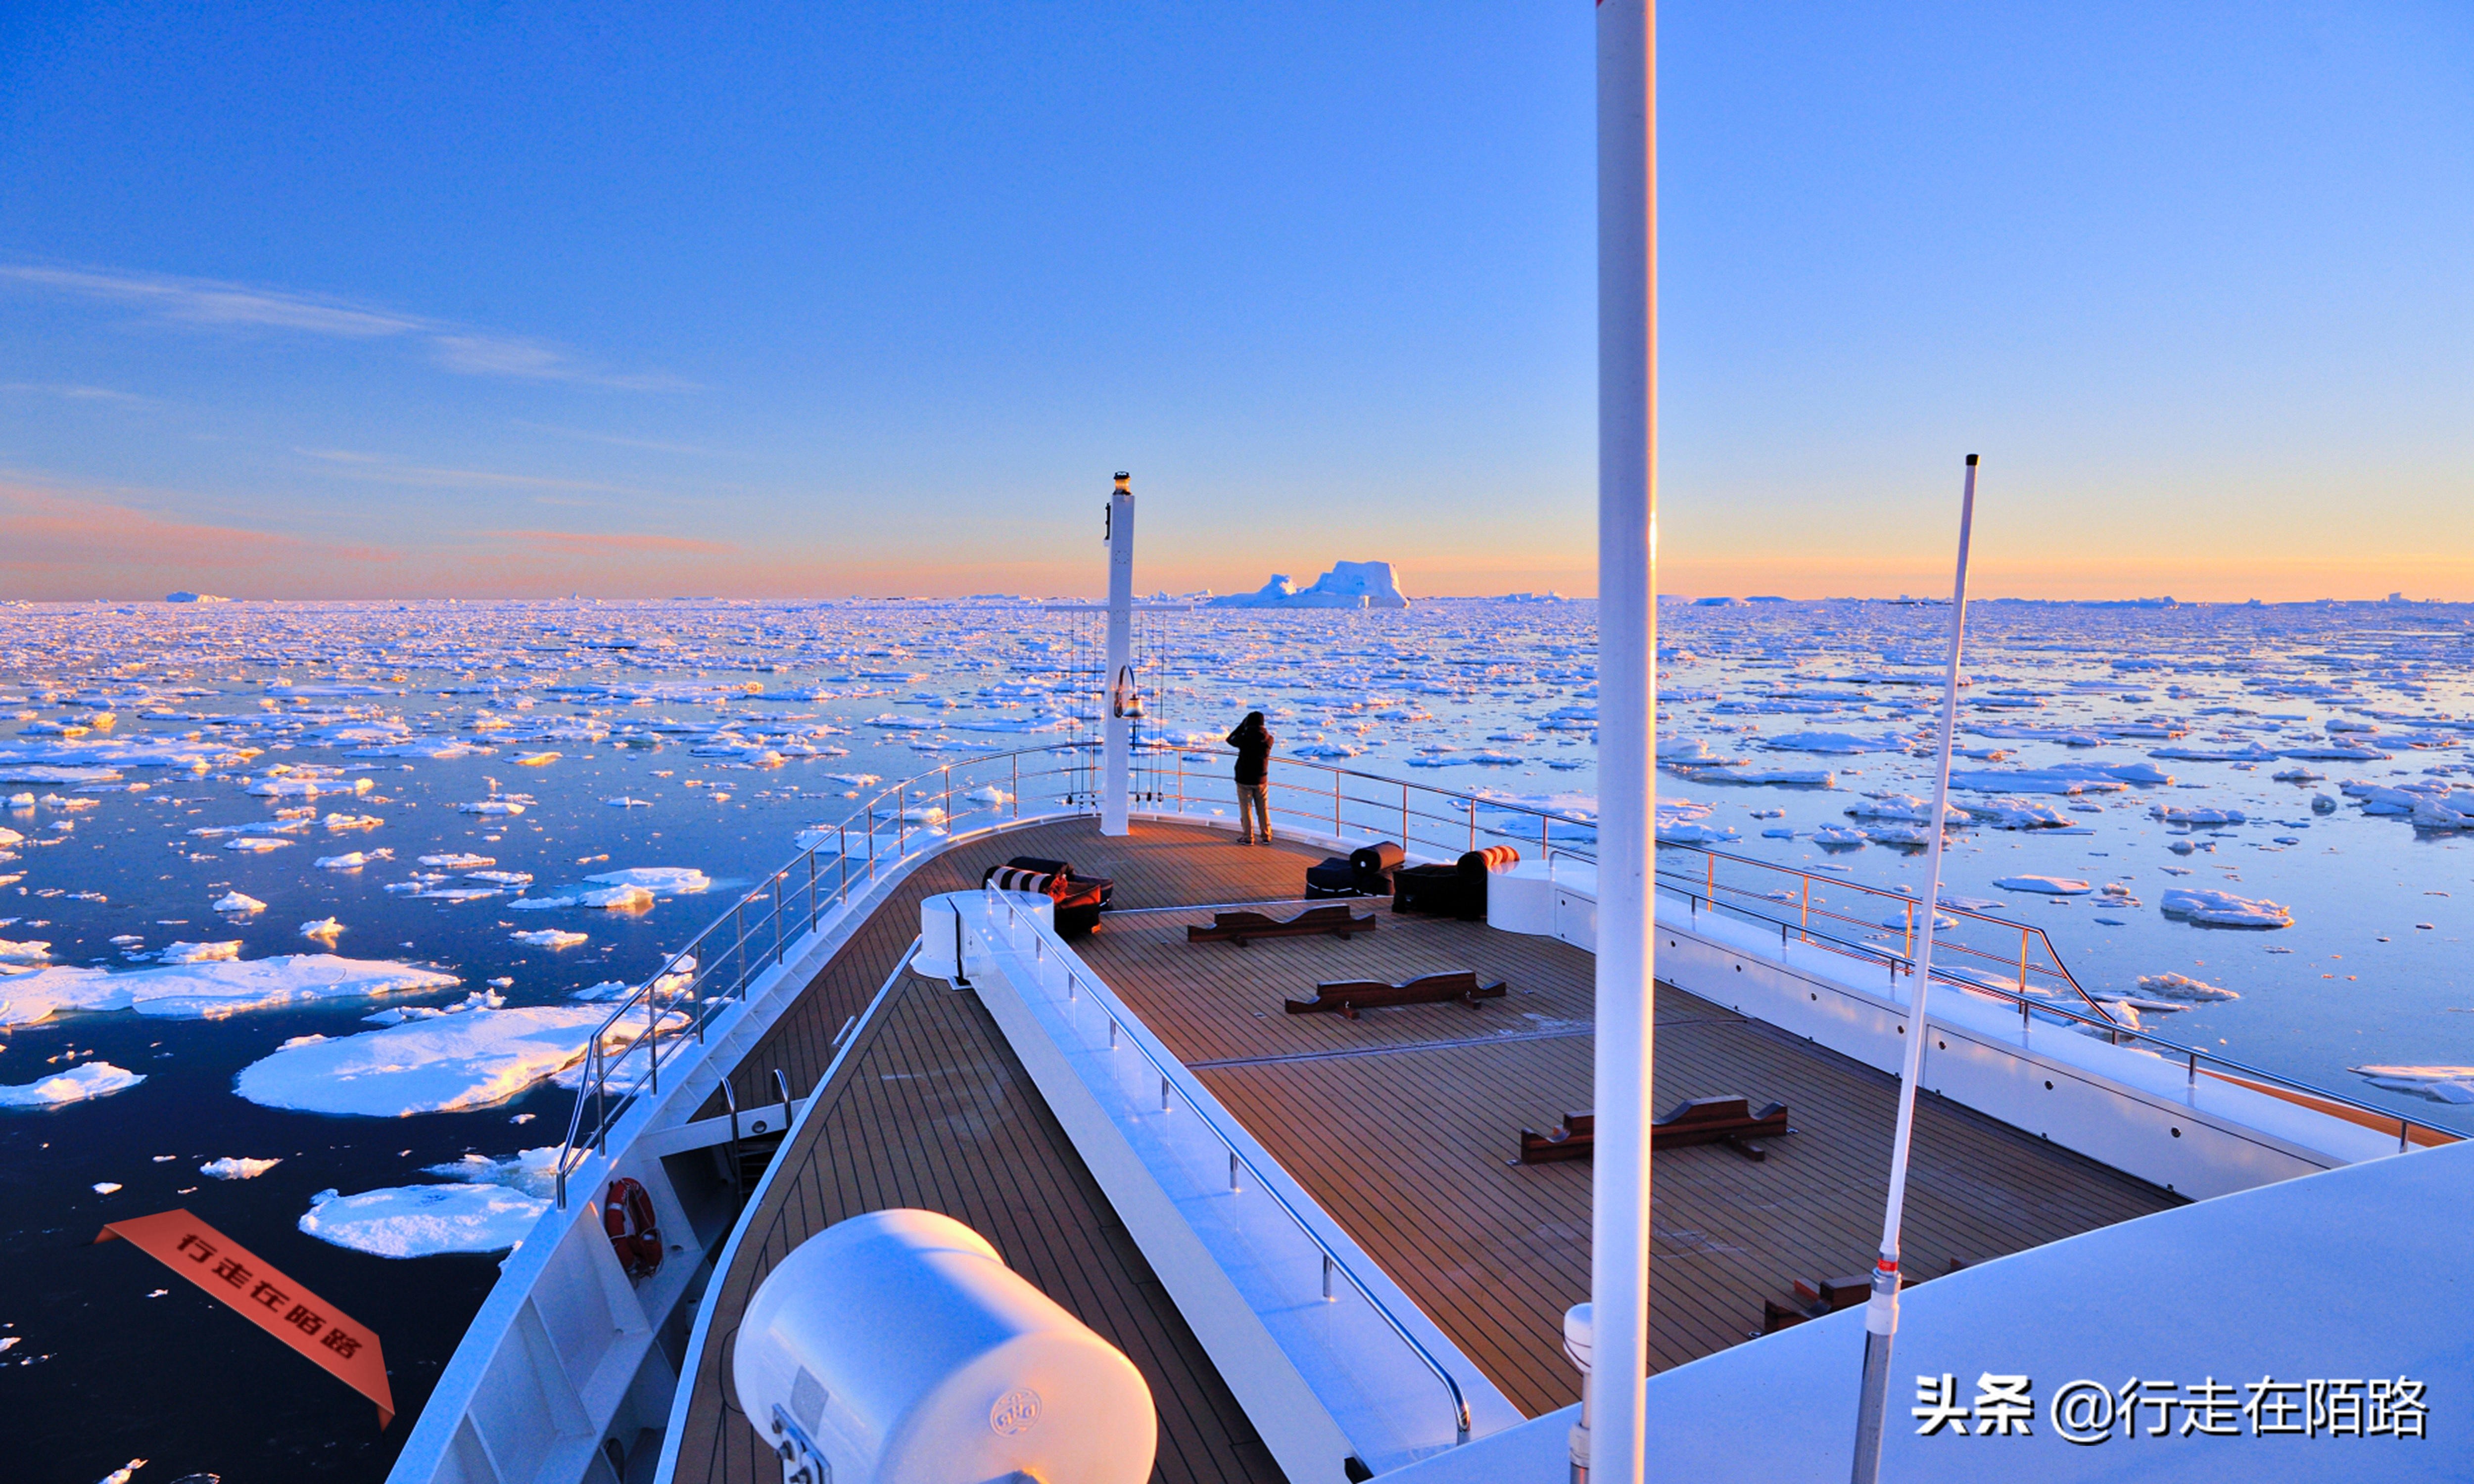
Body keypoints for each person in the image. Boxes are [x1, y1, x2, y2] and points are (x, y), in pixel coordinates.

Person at [1226, 711, 1275, 844]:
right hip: (1261, 779)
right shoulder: (1269, 740)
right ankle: (1266, 836)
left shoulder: (1244, 738)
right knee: (1263, 809)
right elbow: (1266, 737)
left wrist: (1242, 726)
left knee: (1246, 809)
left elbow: (1230, 739)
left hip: (1244, 778)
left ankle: (1248, 837)